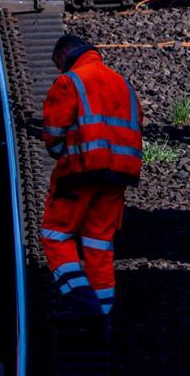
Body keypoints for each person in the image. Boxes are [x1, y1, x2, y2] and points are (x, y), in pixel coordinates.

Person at [39, 34, 143, 327]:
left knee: (55, 235)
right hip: (119, 175)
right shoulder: (122, 83)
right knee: (98, 243)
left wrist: (64, 154)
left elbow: (53, 136)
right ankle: (104, 320)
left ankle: (84, 304)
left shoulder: (70, 82)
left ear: (65, 55)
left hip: (80, 174)